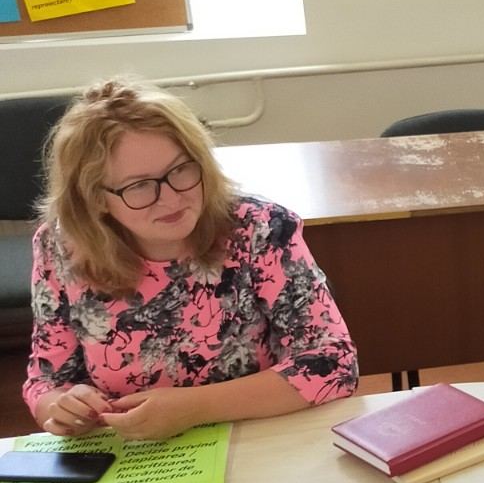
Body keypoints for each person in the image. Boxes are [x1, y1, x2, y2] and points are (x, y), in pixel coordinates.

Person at [24, 78, 359, 442]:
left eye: (181, 169)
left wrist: (193, 408)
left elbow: (333, 362)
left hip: (254, 439)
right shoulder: (61, 246)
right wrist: (60, 407)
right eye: (139, 186)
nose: (171, 199)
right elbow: (46, 381)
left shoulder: (258, 228)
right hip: (133, 452)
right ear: (96, 199)